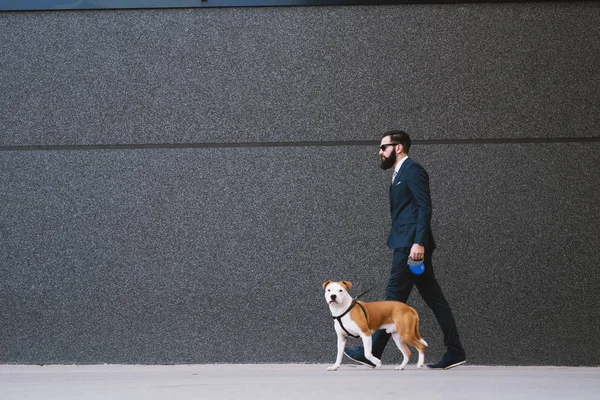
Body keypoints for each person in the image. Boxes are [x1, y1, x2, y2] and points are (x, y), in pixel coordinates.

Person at [344, 130, 466, 370]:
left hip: (410, 246)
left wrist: (419, 242)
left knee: (393, 297)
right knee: (433, 298)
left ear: (398, 147)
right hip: (408, 244)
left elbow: (424, 207)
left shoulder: (413, 171)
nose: (380, 152)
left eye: (383, 147)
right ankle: (455, 350)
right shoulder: (399, 173)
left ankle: (372, 354)